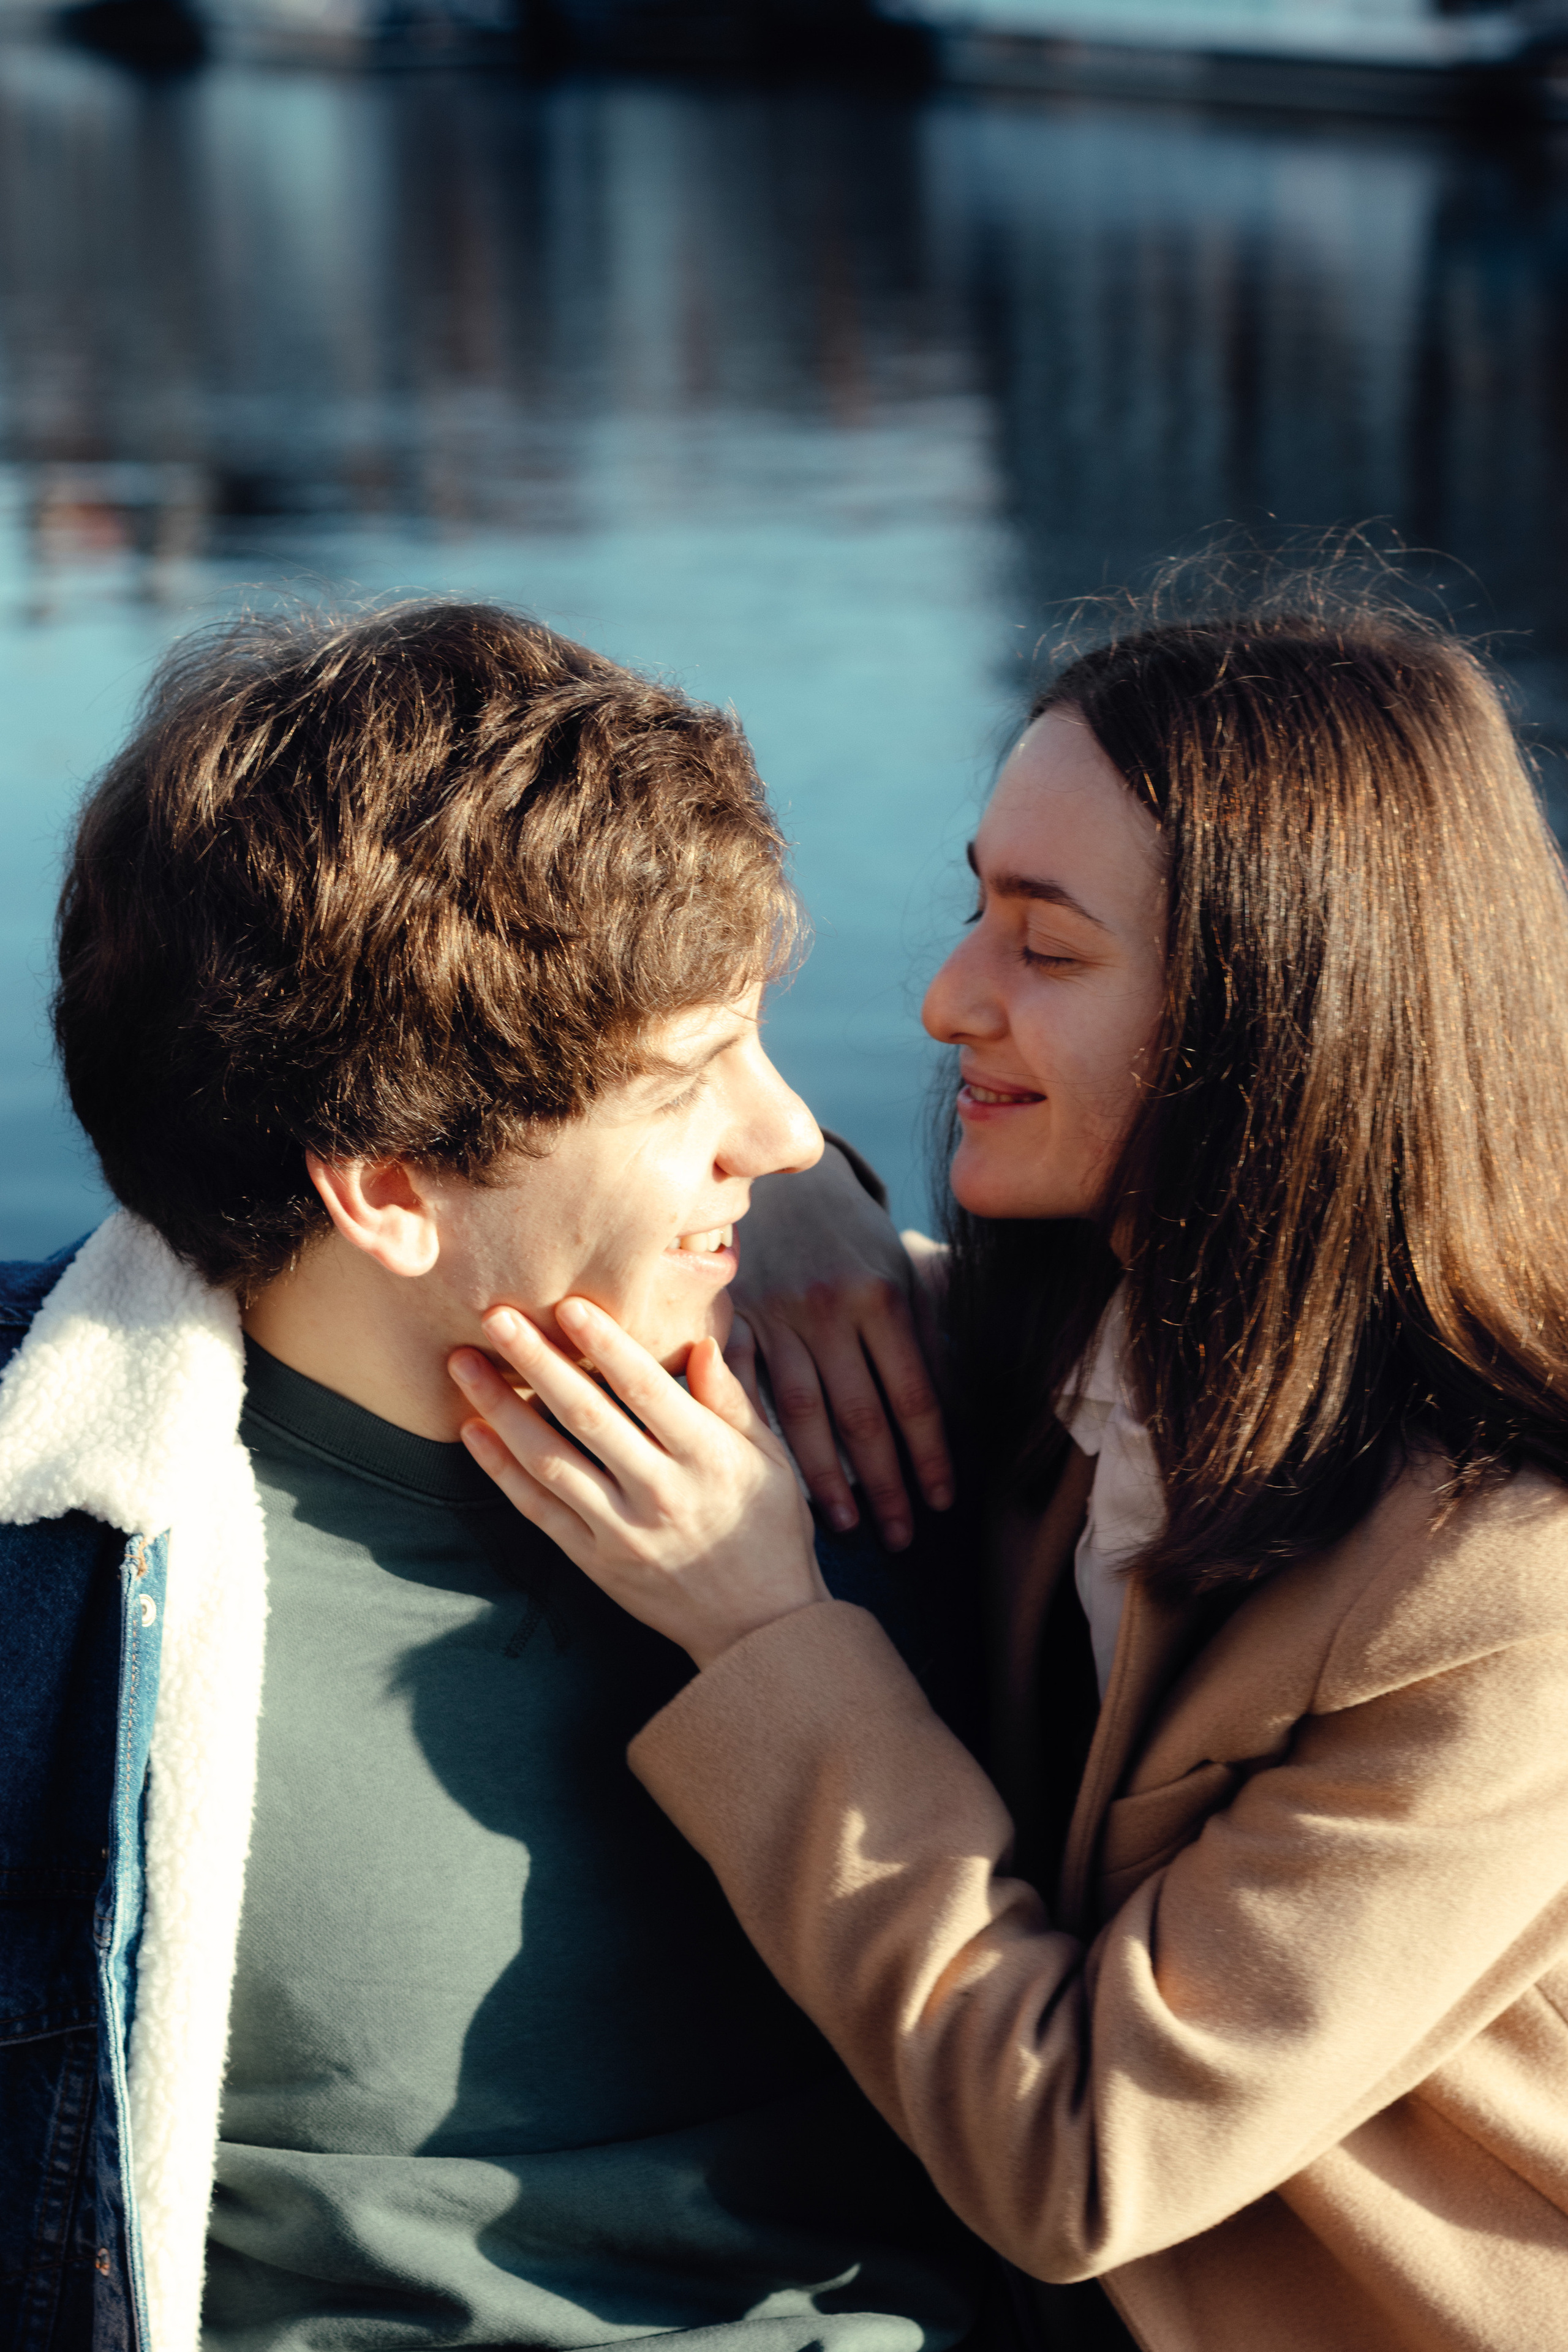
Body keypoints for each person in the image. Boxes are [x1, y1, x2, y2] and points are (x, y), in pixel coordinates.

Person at [450, 590, 1568, 2352]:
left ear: (1283, 1021)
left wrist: (760, 1631)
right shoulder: (1086, 1364)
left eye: (1045, 950)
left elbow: (1083, 2162)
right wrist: (798, 1175)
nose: (946, 992)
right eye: (980, 903)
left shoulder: (1510, 1595)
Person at [0, 601, 992, 2352]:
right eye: (695, 1078)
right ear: (389, 1188)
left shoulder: (920, 1417)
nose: (785, 1137)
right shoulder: (57, 1566)